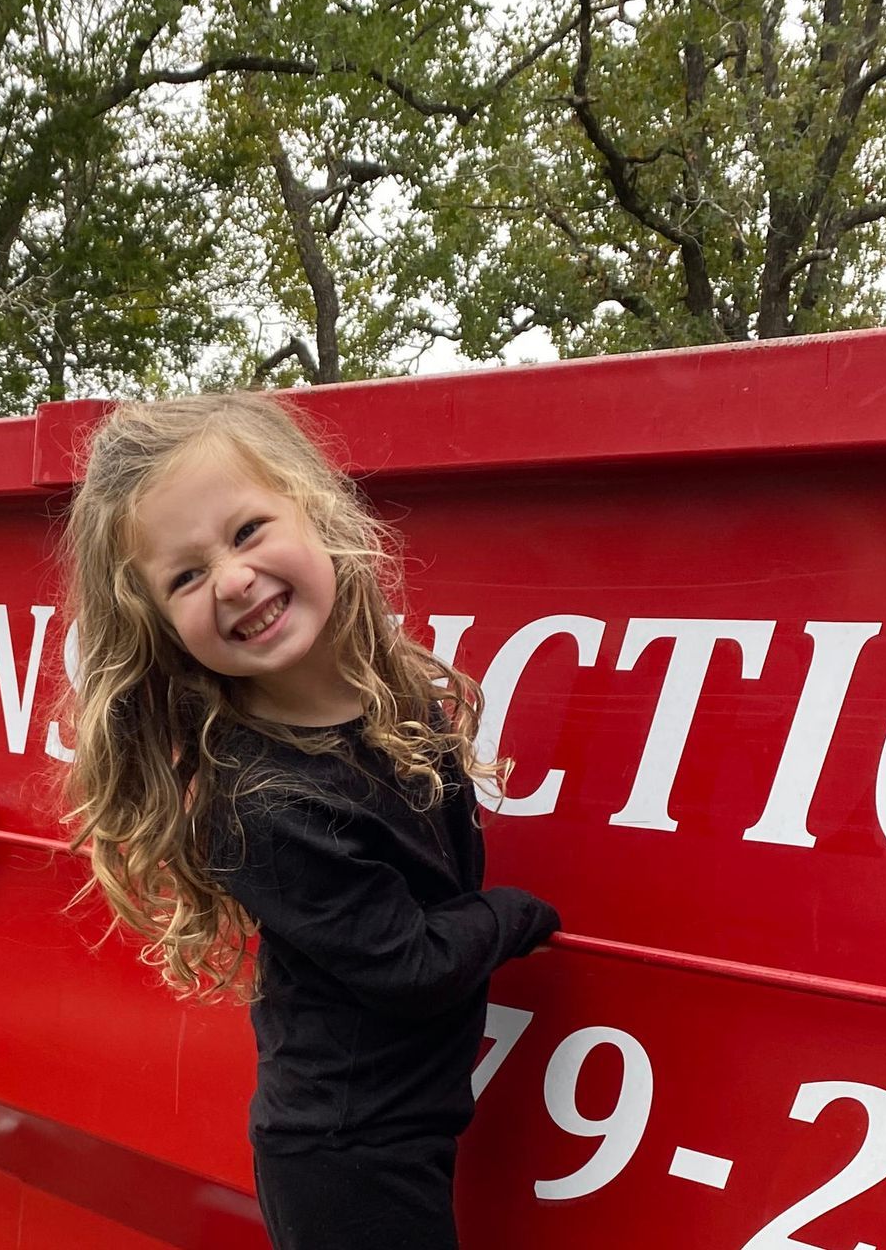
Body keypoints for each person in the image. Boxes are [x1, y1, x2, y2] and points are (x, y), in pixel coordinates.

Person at [59, 391, 559, 1250]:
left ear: (315, 509)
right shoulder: (262, 805)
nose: (233, 578)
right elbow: (409, 964)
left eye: (248, 531)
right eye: (185, 575)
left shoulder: (389, 699)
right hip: (347, 1156)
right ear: (160, 626)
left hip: (405, 1126)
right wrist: (517, 917)